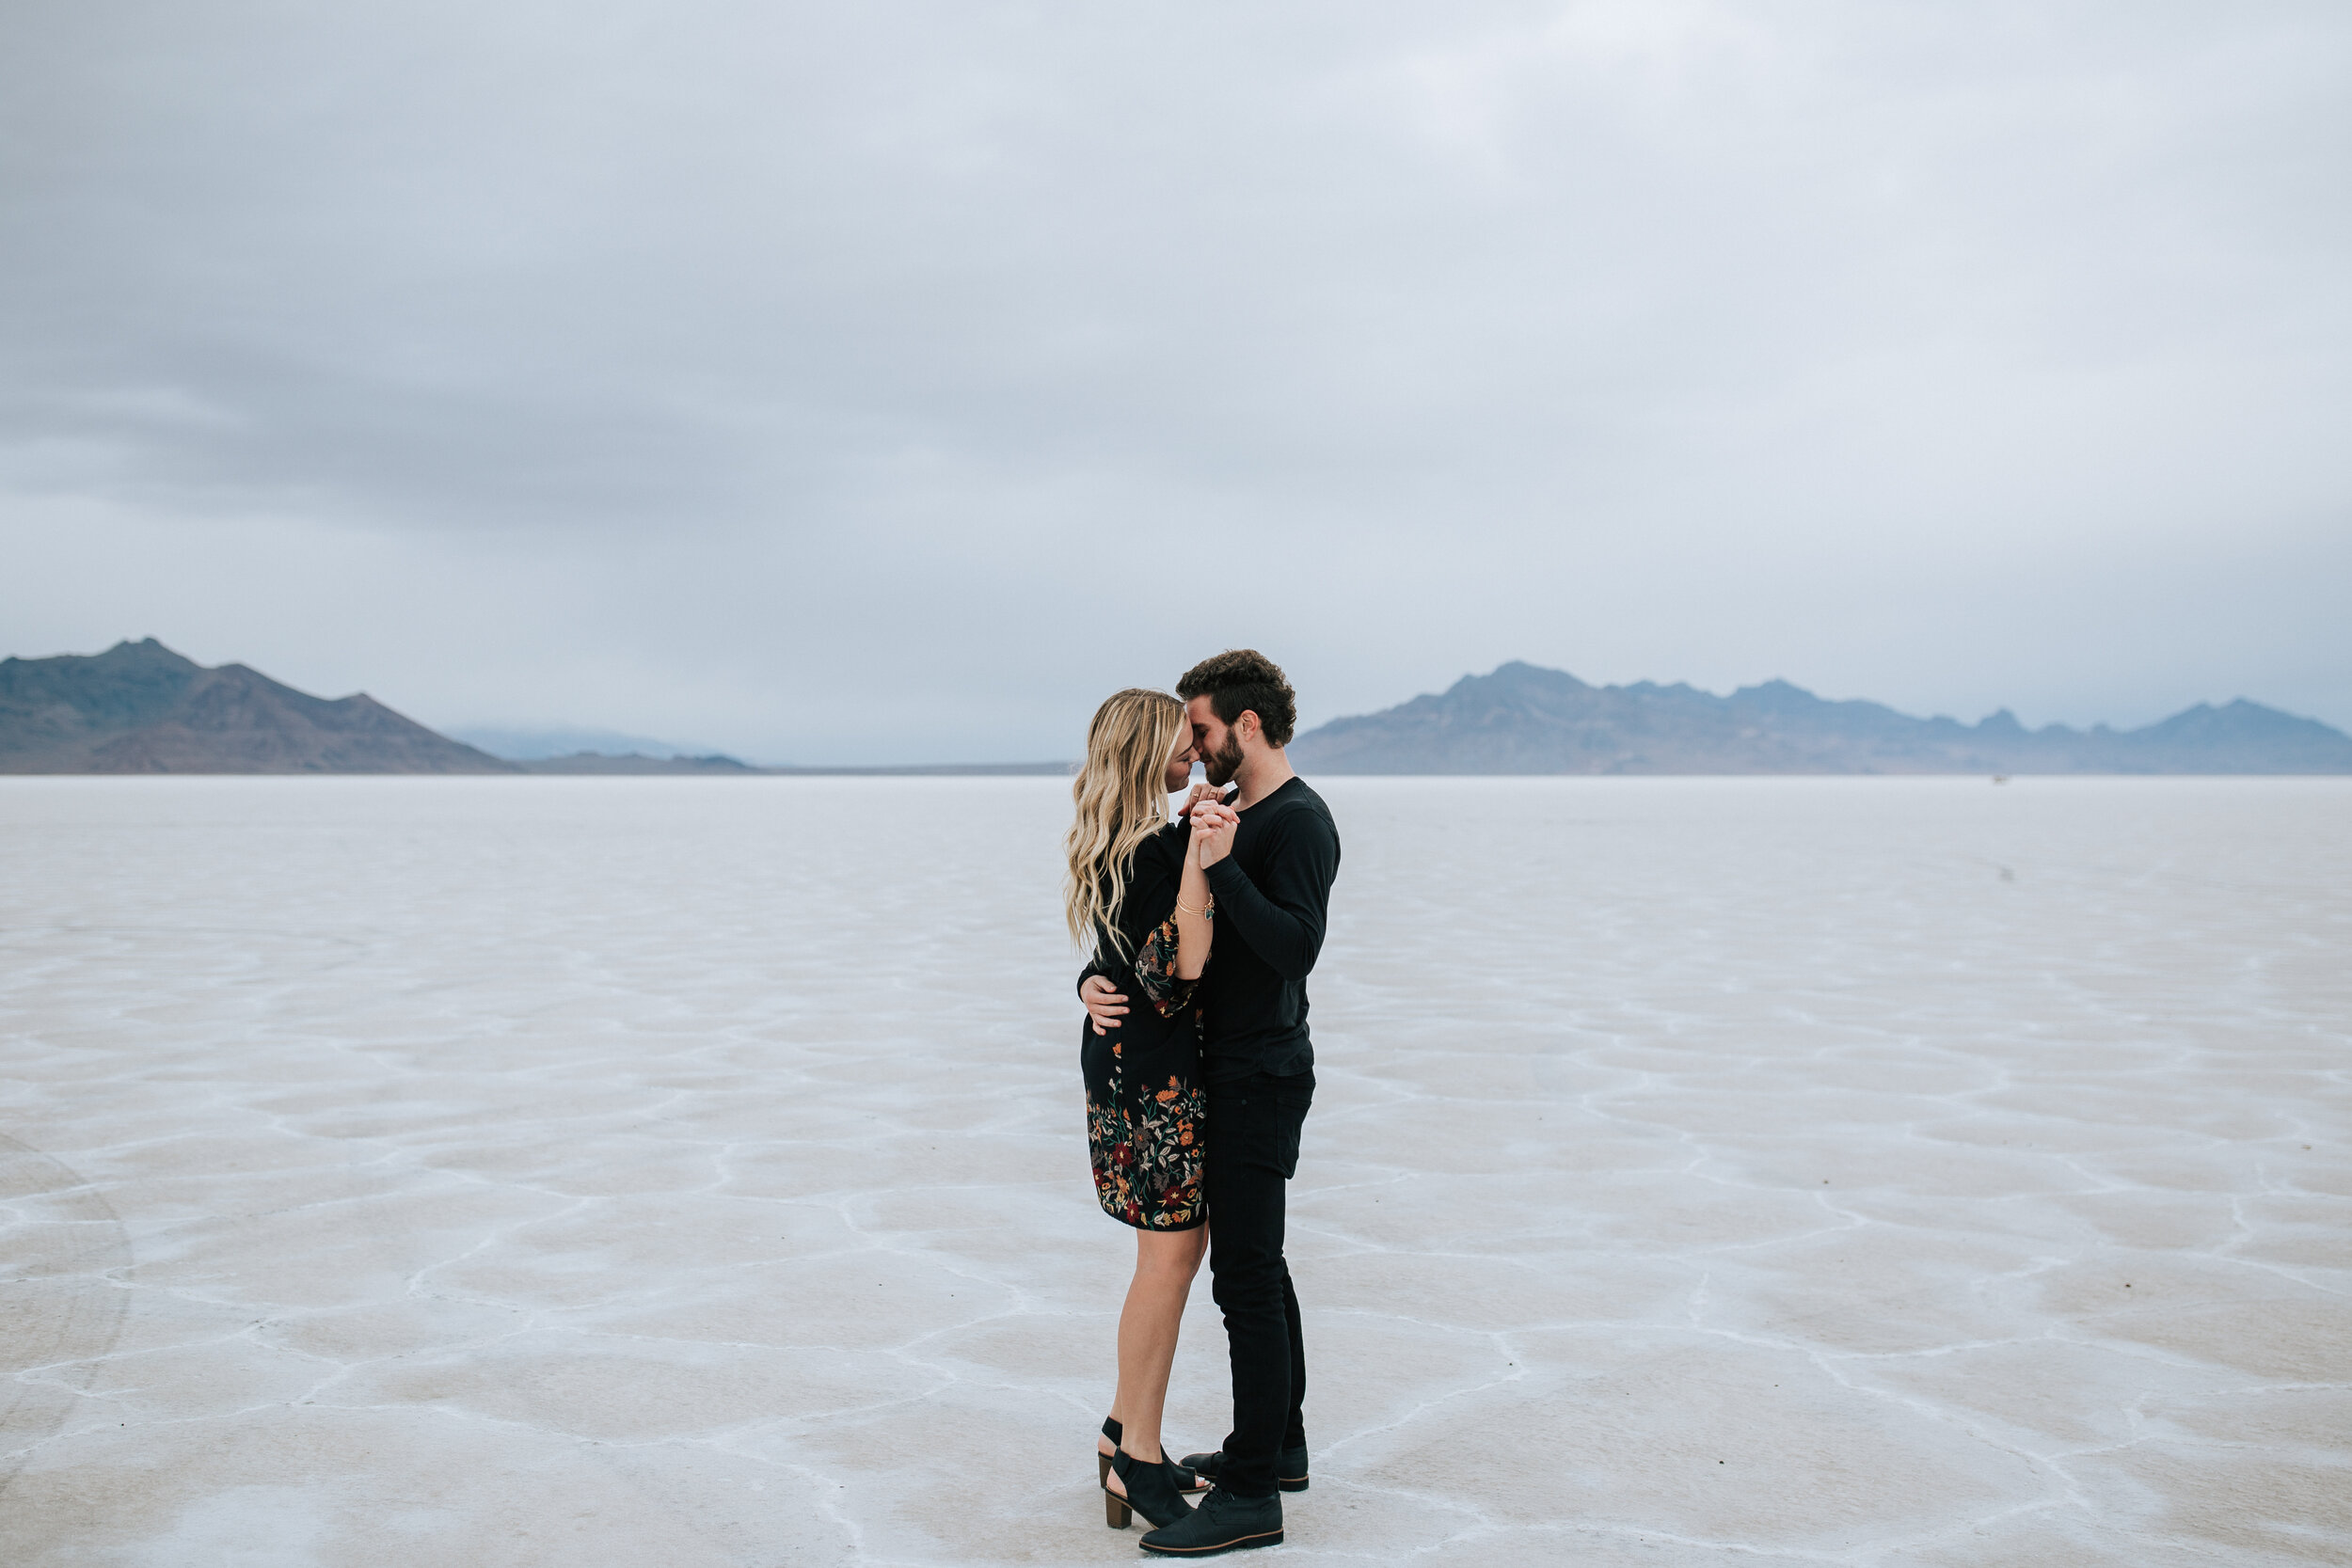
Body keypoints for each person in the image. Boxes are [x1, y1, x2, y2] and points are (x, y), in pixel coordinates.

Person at [1082, 650, 1341, 1558]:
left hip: (1255, 1072)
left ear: (1249, 725)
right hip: (1208, 1072)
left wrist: (1219, 866)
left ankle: (1252, 1488)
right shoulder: (1225, 818)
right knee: (1254, 1266)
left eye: (1200, 728)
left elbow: (1293, 948)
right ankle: (1277, 1448)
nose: (1192, 746)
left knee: (1246, 1277)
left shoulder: (1298, 822)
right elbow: (1142, 926)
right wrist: (1095, 977)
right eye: (1183, 732)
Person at [1066, 688, 1239, 1534]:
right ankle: (1137, 1454)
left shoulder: (1121, 840)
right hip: (1154, 1083)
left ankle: (1121, 1434)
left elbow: (1112, 961)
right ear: (1143, 753)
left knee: (1164, 1256)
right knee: (1169, 1262)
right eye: (1180, 746)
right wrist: (1202, 861)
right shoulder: (1151, 849)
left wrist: (1089, 985)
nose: (1194, 759)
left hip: (1127, 1073)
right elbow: (1179, 969)